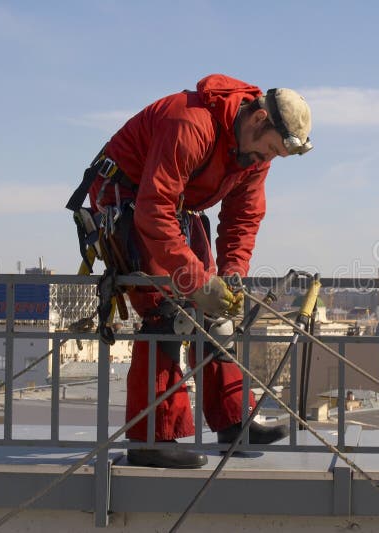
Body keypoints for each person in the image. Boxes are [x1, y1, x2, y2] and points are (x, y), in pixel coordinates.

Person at [79, 74, 312, 468]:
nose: (265, 161)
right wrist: (195, 279)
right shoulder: (191, 123)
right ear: (257, 121)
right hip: (127, 198)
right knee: (167, 311)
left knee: (216, 311)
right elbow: (154, 210)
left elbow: (244, 216)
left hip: (173, 207)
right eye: (268, 150)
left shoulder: (253, 153)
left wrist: (232, 272)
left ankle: (234, 422)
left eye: (274, 156)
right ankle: (150, 440)